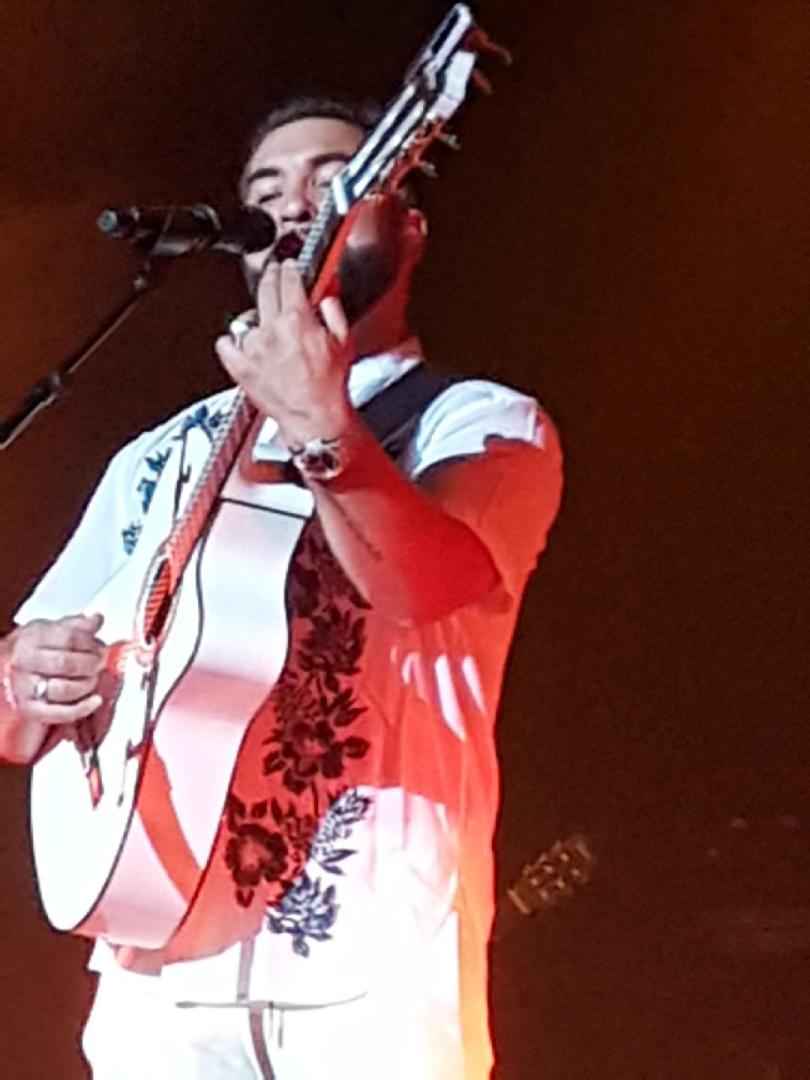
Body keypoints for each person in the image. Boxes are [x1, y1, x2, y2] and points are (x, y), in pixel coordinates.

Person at [0, 97, 563, 1079]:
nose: (298, 205)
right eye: (267, 191)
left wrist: (319, 423)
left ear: (410, 224)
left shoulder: (480, 424)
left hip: (373, 958)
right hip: (155, 958)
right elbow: (18, 702)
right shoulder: (159, 454)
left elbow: (429, 588)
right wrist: (25, 676)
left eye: (335, 181)